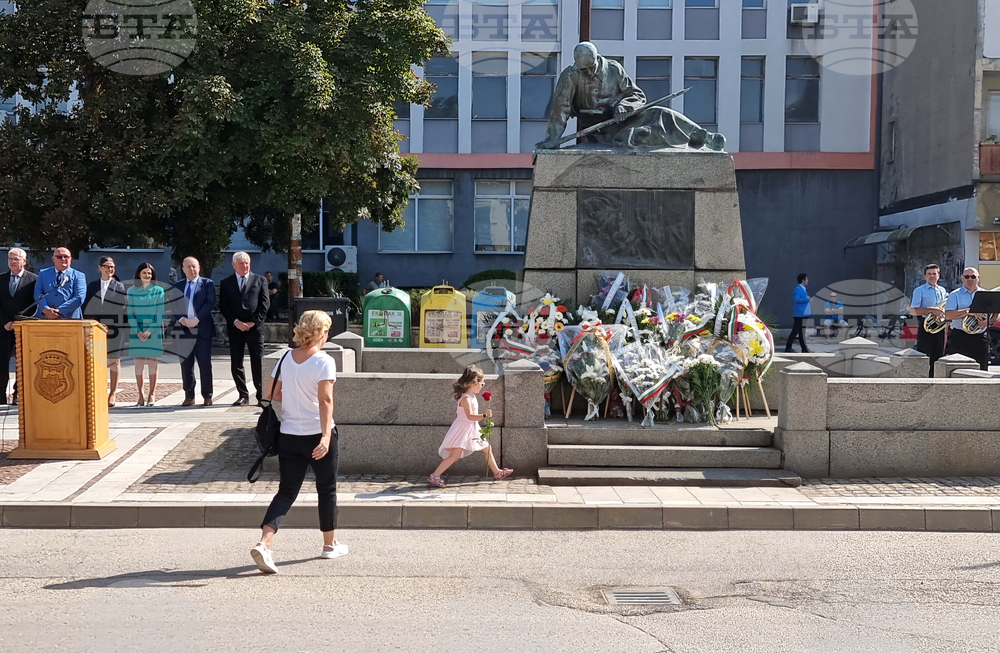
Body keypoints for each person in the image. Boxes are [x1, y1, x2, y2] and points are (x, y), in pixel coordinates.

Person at [250, 310, 346, 574]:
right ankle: (329, 545)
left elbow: (270, 393)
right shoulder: (324, 361)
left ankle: (265, 543)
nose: (328, 335)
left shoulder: (285, 357)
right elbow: (326, 401)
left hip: (289, 435)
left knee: (286, 491)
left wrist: (294, 398)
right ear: (321, 332)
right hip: (317, 434)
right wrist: (326, 436)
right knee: (326, 489)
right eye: (327, 331)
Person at [539, 42, 725, 151]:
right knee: (640, 136)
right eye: (584, 69)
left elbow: (636, 95)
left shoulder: (613, 69)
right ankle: (664, 138)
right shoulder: (570, 76)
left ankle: (704, 137)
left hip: (624, 118)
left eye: (591, 67)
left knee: (661, 113)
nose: (588, 72)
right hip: (600, 129)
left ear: (597, 59)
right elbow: (560, 109)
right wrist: (552, 140)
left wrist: (624, 106)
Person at [428, 365, 512, 488]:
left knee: (487, 448)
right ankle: (435, 476)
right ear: (474, 383)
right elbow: (470, 416)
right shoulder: (466, 398)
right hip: (463, 429)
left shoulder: (471, 396)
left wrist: (483, 417)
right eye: (482, 384)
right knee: (455, 455)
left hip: (472, 428)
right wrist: (484, 416)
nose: (482, 386)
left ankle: (497, 473)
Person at [220, 251, 270, 406]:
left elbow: (265, 304)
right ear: (234, 265)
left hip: (255, 328)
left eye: (247, 263)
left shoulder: (260, 280)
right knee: (236, 362)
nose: (244, 266)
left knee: (258, 361)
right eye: (241, 263)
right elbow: (223, 306)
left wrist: (253, 322)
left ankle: (261, 395)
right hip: (235, 328)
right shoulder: (226, 282)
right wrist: (236, 322)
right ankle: (243, 394)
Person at [83, 257, 127, 407]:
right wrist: (95, 323)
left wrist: (107, 323)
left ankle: (112, 393)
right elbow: (87, 305)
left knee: (114, 359)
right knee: (97, 360)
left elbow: (119, 307)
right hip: (96, 327)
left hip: (114, 327)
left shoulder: (119, 286)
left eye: (112, 267)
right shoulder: (92, 286)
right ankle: (99, 390)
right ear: (100, 268)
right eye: (107, 267)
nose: (110, 270)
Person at [172, 257, 216, 406]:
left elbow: (209, 303)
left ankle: (207, 395)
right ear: (183, 269)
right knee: (186, 364)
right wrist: (182, 319)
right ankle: (189, 395)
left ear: (199, 267)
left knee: (204, 363)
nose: (192, 269)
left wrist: (196, 319)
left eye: (194, 266)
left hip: (202, 329)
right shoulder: (178, 286)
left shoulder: (207, 284)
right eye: (188, 267)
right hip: (184, 330)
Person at [0, 248, 37, 404]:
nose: (13, 262)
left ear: (24, 261)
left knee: (23, 363)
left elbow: (35, 304)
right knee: (2, 362)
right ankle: (1, 396)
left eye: (16, 259)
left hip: (23, 327)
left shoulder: (34, 280)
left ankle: (18, 394)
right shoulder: (1, 279)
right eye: (10, 258)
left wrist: (21, 322)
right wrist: (5, 322)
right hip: (3, 327)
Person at [127, 263, 166, 406]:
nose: (147, 275)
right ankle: (140, 394)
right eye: (144, 272)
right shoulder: (131, 290)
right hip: (136, 330)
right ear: (139, 274)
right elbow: (130, 313)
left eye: (149, 273)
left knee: (152, 364)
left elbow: (160, 313)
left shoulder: (158, 290)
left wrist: (149, 331)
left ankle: (152, 394)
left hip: (153, 330)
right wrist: (138, 331)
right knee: (138, 364)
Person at [944, 267, 990, 371]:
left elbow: (997, 314)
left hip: (980, 336)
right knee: (958, 369)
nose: (970, 279)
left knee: (982, 369)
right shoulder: (955, 294)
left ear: (978, 278)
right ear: (962, 278)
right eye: (967, 276)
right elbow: (948, 315)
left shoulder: (986, 294)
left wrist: (987, 322)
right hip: (960, 337)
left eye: (973, 276)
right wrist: (969, 312)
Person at [908, 263, 949, 377]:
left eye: (934, 274)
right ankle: (923, 379)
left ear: (938, 276)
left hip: (940, 327)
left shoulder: (942, 290)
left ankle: (935, 379)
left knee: (939, 356)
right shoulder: (919, 290)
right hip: (926, 327)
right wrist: (930, 310)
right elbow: (913, 310)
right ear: (925, 276)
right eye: (929, 274)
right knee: (924, 355)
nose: (932, 276)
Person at [34, 247, 86, 319]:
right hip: (46, 317)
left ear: (70, 259)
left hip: (70, 319)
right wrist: (46, 309)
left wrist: (59, 311)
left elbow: (79, 297)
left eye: (66, 257)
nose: (63, 259)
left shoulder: (79, 276)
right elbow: (38, 293)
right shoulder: (43, 274)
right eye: (59, 257)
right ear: (53, 259)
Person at [784, 273, 812, 354]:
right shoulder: (798, 289)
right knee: (796, 330)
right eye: (806, 279)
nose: (807, 280)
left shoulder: (803, 289)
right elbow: (797, 299)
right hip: (800, 314)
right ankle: (788, 346)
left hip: (803, 314)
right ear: (803, 280)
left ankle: (804, 348)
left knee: (801, 332)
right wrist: (806, 298)